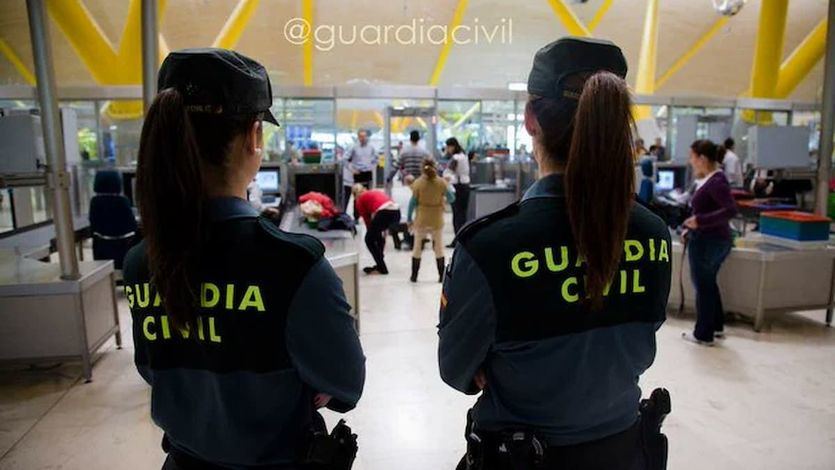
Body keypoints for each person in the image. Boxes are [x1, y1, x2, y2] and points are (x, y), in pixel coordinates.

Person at [123, 48, 365, 469]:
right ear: (254, 136)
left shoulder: (142, 261)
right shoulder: (294, 265)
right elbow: (345, 384)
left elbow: (152, 368)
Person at [439, 37, 672, 470]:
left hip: (522, 455)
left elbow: (457, 369)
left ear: (531, 120)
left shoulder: (489, 246)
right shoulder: (654, 233)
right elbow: (641, 335)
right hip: (624, 453)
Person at [681, 139, 737, 346]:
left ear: (702, 158)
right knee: (709, 283)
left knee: (703, 285)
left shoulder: (716, 181)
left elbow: (730, 210)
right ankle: (716, 326)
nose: (690, 161)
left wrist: (699, 221)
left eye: (692, 157)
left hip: (709, 241)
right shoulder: (710, 180)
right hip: (710, 238)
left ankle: (703, 333)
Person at [408, 158, 454, 283]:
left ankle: (414, 276)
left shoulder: (418, 183)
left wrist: (408, 219)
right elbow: (452, 198)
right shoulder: (441, 182)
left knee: (417, 248)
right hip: (436, 219)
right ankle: (441, 276)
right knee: (439, 248)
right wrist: (442, 200)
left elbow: (412, 203)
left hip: (421, 219)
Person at [353, 184, 401, 275]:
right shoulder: (374, 192)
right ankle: (380, 261)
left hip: (384, 212)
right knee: (377, 234)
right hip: (396, 211)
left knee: (369, 240)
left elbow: (367, 221)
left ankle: (382, 267)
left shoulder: (359, 200)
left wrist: (370, 232)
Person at [444, 137, 471, 246]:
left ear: (453, 146)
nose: (447, 149)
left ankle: (457, 240)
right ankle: (463, 239)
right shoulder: (464, 156)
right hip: (465, 186)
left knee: (457, 215)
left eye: (448, 147)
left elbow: (448, 172)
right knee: (463, 215)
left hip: (458, 187)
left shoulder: (455, 158)